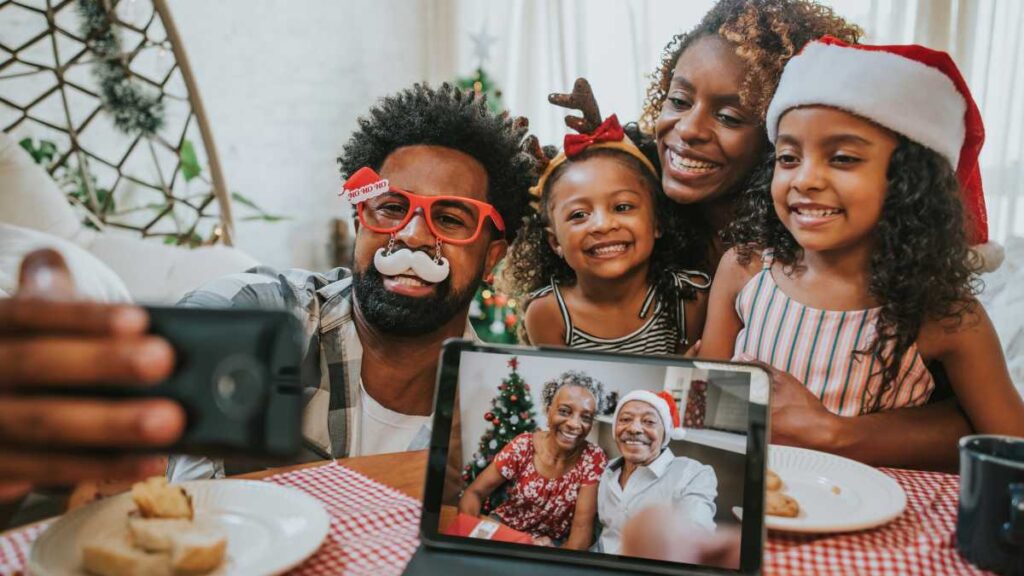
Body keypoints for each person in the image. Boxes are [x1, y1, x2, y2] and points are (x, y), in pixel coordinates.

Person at [0, 81, 535, 509]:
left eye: (450, 218)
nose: (413, 236)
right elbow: (152, 387)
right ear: (361, 219)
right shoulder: (264, 313)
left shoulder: (510, 400)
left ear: (491, 256)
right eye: (391, 207)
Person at [700, 37, 1024, 459]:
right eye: (788, 158)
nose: (805, 179)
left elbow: (1012, 444)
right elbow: (704, 411)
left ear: (906, 182)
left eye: (843, 159)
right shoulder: (744, 270)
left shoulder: (943, 315)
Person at [501, 92, 709, 355]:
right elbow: (565, 392)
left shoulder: (688, 299)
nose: (602, 224)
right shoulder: (548, 314)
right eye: (579, 215)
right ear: (555, 242)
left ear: (658, 221)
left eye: (622, 207)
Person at [458, 371, 607, 550]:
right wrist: (472, 538)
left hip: (550, 544)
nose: (575, 424)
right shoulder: (523, 446)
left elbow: (581, 533)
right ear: (548, 410)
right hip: (504, 531)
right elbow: (473, 494)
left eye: (586, 417)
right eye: (564, 411)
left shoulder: (593, 459)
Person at [596, 390, 717, 555]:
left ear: (665, 432)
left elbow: (697, 535)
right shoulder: (605, 470)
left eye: (649, 421)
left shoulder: (693, 475)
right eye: (625, 419)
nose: (634, 428)